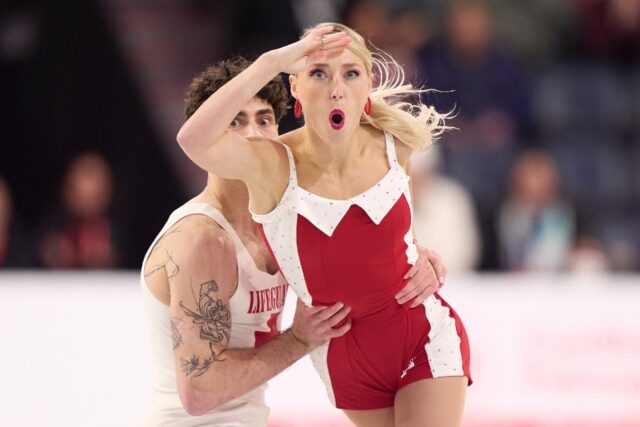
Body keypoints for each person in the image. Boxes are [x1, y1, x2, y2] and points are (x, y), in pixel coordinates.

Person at [177, 23, 470, 426]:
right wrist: (273, 62)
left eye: (350, 73)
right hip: (345, 357)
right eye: (319, 73)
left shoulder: (394, 143)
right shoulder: (272, 165)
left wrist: (425, 257)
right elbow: (194, 140)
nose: (337, 88)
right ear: (295, 87)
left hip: (422, 333)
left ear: (367, 85)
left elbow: (402, 240)